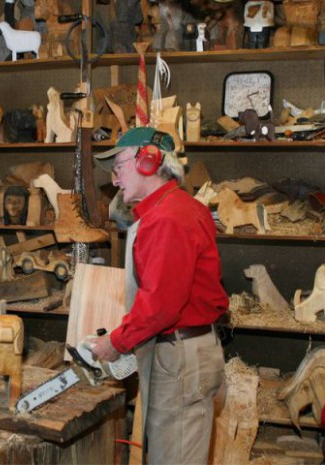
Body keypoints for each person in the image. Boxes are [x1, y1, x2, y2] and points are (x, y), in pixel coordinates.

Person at [92, 126, 228, 464]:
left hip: (182, 357)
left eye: (119, 166)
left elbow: (161, 307)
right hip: (184, 351)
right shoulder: (174, 208)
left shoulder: (168, 218)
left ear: (148, 162)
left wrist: (116, 343)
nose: (115, 178)